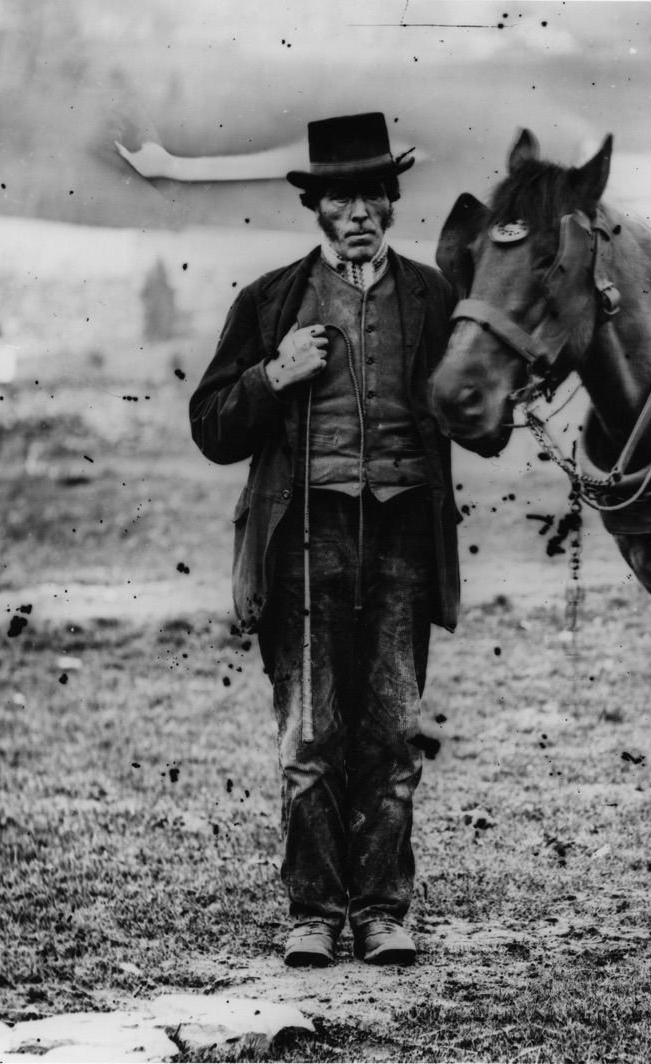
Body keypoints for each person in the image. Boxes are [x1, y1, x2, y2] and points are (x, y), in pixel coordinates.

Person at [189, 112, 460, 968]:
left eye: (373, 193)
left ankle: (382, 910)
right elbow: (212, 425)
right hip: (307, 539)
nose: (359, 212)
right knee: (311, 735)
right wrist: (275, 375)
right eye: (341, 195)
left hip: (404, 538)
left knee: (391, 730)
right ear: (317, 206)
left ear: (390, 200)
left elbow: (478, 410)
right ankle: (313, 912)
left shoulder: (432, 299)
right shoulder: (270, 301)